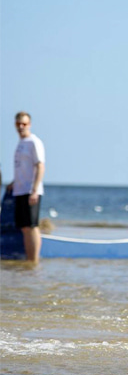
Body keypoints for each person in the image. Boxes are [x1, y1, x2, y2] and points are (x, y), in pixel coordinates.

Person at [8, 112, 45, 263]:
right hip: (19, 190)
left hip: (31, 191)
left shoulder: (34, 142)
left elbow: (40, 166)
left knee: (32, 226)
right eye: (18, 124)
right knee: (24, 227)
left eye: (24, 124)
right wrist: (13, 182)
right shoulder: (20, 143)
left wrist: (35, 190)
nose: (21, 127)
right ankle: (28, 260)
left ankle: (34, 260)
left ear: (29, 124)